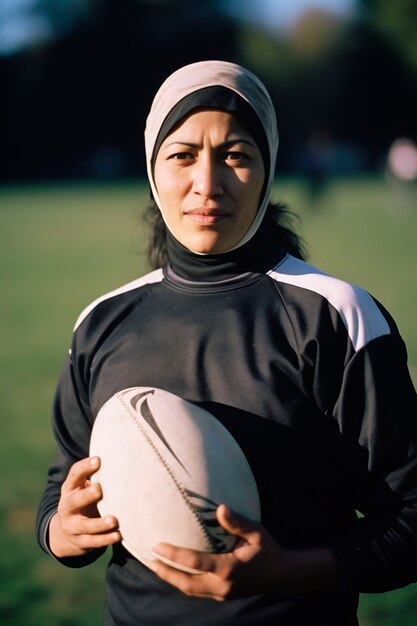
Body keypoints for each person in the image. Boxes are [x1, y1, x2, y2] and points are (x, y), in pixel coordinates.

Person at [36, 60, 416, 626]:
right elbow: (61, 486)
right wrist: (62, 531)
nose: (207, 184)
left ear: (268, 169)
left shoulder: (337, 318)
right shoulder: (101, 323)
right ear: (152, 169)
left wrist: (293, 570)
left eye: (236, 155)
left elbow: (409, 517)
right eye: (182, 155)